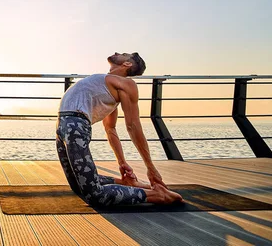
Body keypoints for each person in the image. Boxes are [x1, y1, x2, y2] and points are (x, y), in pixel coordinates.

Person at [56, 52, 183, 206]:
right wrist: (122, 163)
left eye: (124, 54)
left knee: (95, 196)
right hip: (63, 128)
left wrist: (151, 168)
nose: (117, 53)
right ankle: (127, 183)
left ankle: (158, 195)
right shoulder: (105, 86)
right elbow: (110, 129)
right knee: (78, 186)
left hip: (74, 127)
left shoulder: (126, 84)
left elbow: (133, 126)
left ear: (127, 64)